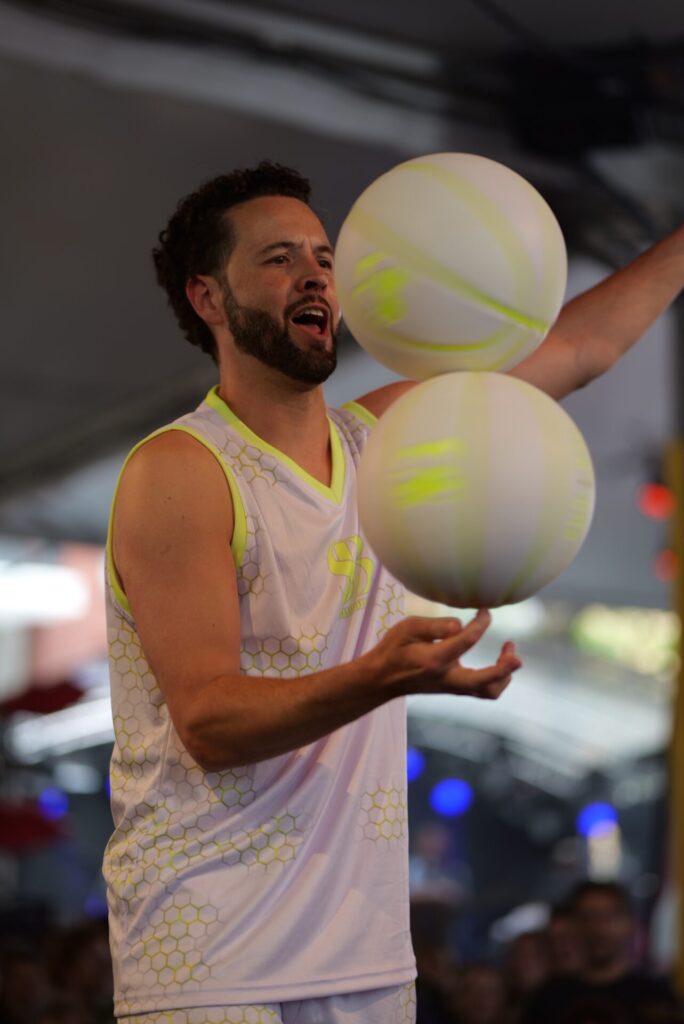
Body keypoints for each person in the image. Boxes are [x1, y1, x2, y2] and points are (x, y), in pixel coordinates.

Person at [102, 160, 684, 1024]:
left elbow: (578, 346)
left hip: (370, 960)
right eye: (277, 259)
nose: (316, 275)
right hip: (215, 964)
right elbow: (210, 722)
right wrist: (382, 675)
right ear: (207, 299)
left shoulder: (392, 439)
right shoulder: (181, 469)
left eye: (325, 257)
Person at [522, 881, 680, 1023]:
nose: (598, 929)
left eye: (608, 917)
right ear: (573, 925)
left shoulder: (655, 998)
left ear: (629, 924)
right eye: (588, 917)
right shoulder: (549, 999)